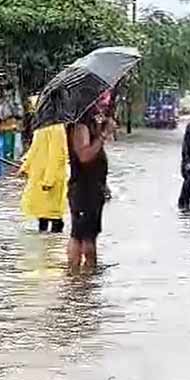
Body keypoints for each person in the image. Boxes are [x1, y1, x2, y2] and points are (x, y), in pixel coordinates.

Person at [66, 92, 116, 272]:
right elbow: (84, 155)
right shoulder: (80, 126)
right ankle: (76, 279)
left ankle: (86, 284)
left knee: (90, 236)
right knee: (80, 237)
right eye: (100, 99)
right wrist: (103, 135)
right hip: (82, 190)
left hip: (94, 189)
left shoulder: (92, 124)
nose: (104, 103)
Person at [18, 90, 69, 233]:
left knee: (54, 216)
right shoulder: (41, 128)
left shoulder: (56, 128)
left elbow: (57, 156)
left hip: (51, 178)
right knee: (41, 215)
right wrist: (25, 167)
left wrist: (49, 180)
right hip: (38, 175)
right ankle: (45, 244)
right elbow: (34, 150)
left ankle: (54, 244)